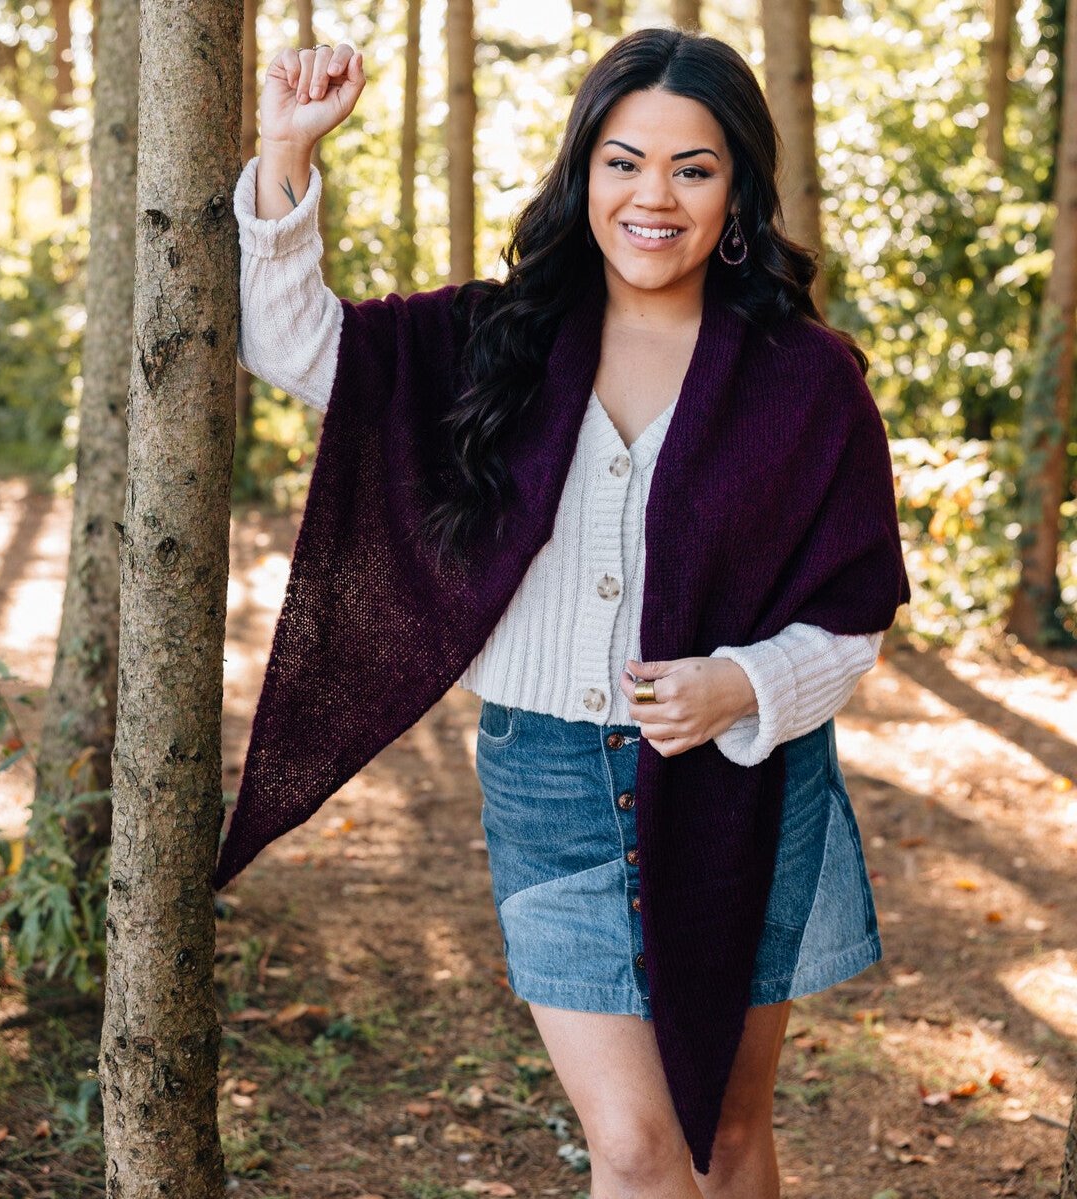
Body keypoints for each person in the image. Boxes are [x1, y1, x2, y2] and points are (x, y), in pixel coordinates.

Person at [223, 27, 908, 1199]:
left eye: (694, 168)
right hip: (546, 780)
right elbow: (298, 346)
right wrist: (286, 150)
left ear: (737, 188)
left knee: (728, 1139)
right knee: (639, 1150)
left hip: (747, 785)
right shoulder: (496, 337)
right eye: (623, 160)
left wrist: (742, 683)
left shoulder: (806, 377)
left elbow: (852, 610)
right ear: (582, 172)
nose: (655, 195)